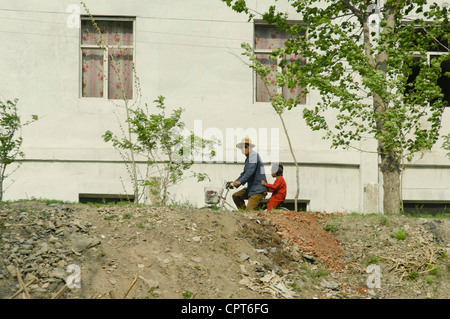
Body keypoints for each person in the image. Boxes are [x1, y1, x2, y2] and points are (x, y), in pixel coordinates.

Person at [231, 137, 268, 211]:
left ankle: (247, 216)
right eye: (241, 147)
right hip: (251, 188)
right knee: (236, 196)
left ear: (250, 147)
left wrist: (240, 181)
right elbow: (244, 173)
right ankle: (244, 213)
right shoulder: (248, 158)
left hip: (258, 189)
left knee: (249, 211)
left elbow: (250, 171)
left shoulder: (253, 155)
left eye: (245, 146)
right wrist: (235, 182)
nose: (243, 149)